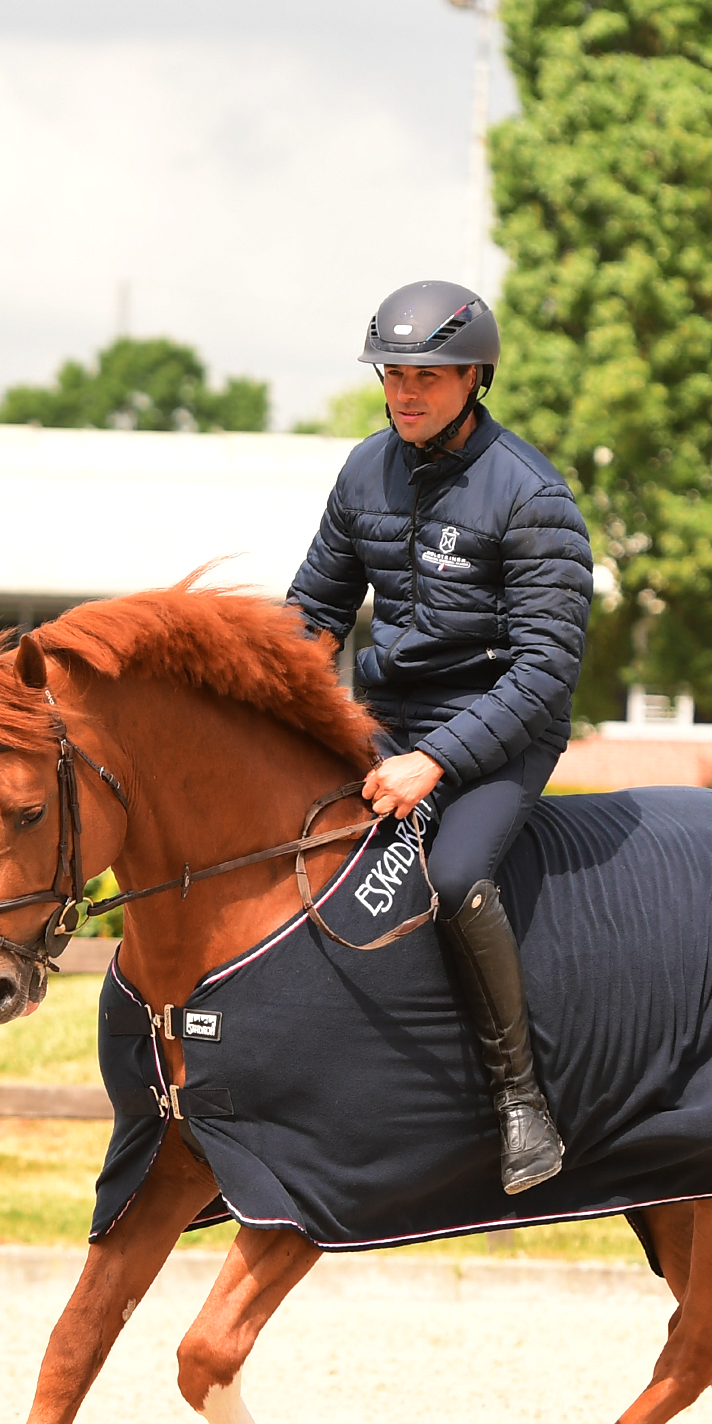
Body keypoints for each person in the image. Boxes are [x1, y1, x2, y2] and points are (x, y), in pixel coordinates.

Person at [287, 279, 593, 1194]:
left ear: (474, 378)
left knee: (454, 875)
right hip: (387, 722)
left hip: (503, 727)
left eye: (425, 376)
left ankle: (520, 1101)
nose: (404, 393)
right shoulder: (362, 471)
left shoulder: (532, 495)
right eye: (392, 375)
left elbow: (544, 672)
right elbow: (314, 614)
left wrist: (434, 761)